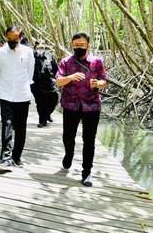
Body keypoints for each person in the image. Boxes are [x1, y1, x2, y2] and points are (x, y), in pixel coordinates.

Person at [56, 32, 107, 187]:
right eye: (76, 45)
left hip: (91, 106)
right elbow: (59, 81)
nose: (79, 47)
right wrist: (71, 77)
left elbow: (104, 80)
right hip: (70, 105)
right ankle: (69, 153)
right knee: (68, 136)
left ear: (88, 45)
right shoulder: (66, 62)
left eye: (82, 45)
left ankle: (86, 173)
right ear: (72, 45)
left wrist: (98, 84)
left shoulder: (97, 62)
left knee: (89, 140)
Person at [0, 26, 34, 171]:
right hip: (5, 93)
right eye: (9, 39)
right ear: (6, 37)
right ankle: (6, 158)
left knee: (21, 126)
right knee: (7, 124)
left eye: (15, 39)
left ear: (20, 37)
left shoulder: (28, 52)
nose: (12, 41)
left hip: (22, 94)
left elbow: (30, 73)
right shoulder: (0, 52)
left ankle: (17, 156)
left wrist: (24, 87)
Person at [32, 43, 59, 128]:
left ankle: (47, 114)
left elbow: (56, 69)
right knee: (40, 103)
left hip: (50, 84)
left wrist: (56, 79)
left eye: (42, 47)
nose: (40, 49)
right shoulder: (31, 57)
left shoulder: (50, 56)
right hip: (37, 84)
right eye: (38, 47)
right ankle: (42, 120)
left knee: (54, 99)